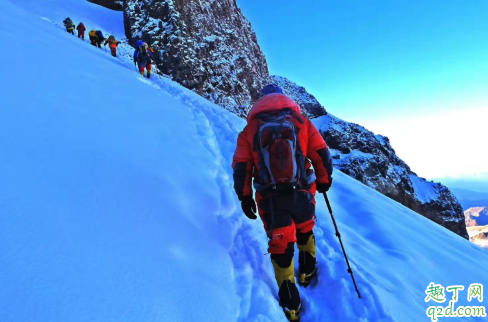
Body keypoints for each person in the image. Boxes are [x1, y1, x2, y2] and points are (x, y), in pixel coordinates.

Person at [232, 84, 333, 321]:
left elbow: (241, 168)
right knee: (305, 229)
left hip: (271, 200)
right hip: (303, 193)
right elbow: (321, 153)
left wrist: (245, 197)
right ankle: (307, 272)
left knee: (281, 246)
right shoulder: (301, 122)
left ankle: (291, 306)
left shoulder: (249, 131)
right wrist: (324, 180)